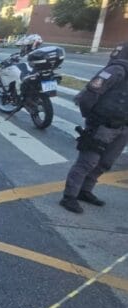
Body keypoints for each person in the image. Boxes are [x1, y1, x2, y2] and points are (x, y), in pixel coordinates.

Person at [60, 41, 128, 214]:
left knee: (105, 162)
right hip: (102, 125)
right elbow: (88, 96)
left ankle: (85, 191)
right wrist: (93, 120)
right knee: (87, 162)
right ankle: (69, 196)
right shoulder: (117, 70)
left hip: (122, 127)